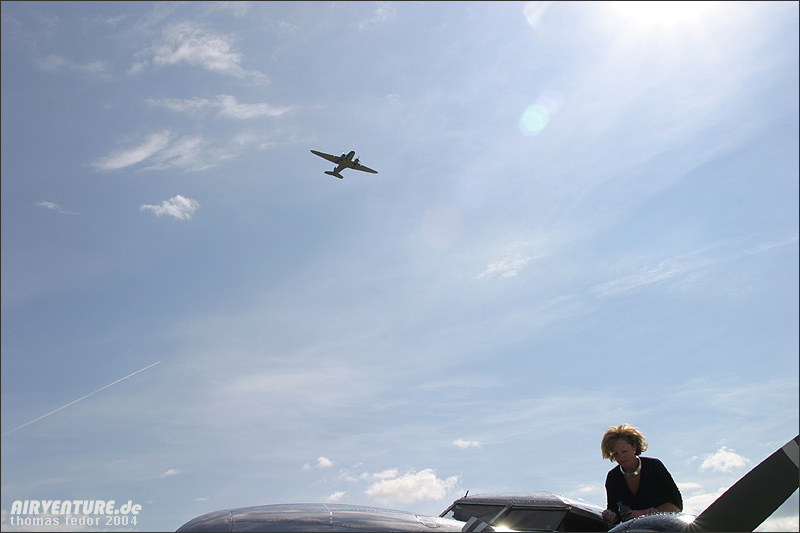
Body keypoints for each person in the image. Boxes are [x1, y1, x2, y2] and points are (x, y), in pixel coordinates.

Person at [600, 424, 682, 524]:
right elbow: (614, 511)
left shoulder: (654, 467)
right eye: (616, 454)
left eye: (624, 451)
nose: (621, 457)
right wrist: (610, 516)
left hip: (664, 526)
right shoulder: (613, 477)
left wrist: (645, 514)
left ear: (634, 446)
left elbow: (676, 504)